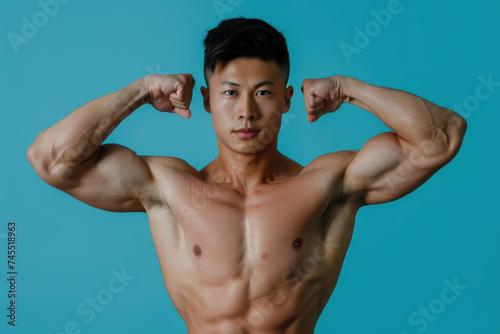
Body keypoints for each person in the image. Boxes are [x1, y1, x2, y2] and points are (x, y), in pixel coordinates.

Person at [27, 18, 467, 333]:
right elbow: (51, 160)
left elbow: (442, 137)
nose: (246, 112)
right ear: (206, 99)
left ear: (287, 100)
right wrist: (140, 92)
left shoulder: (328, 184)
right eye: (230, 93)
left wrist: (347, 88)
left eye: (263, 93)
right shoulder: (167, 188)